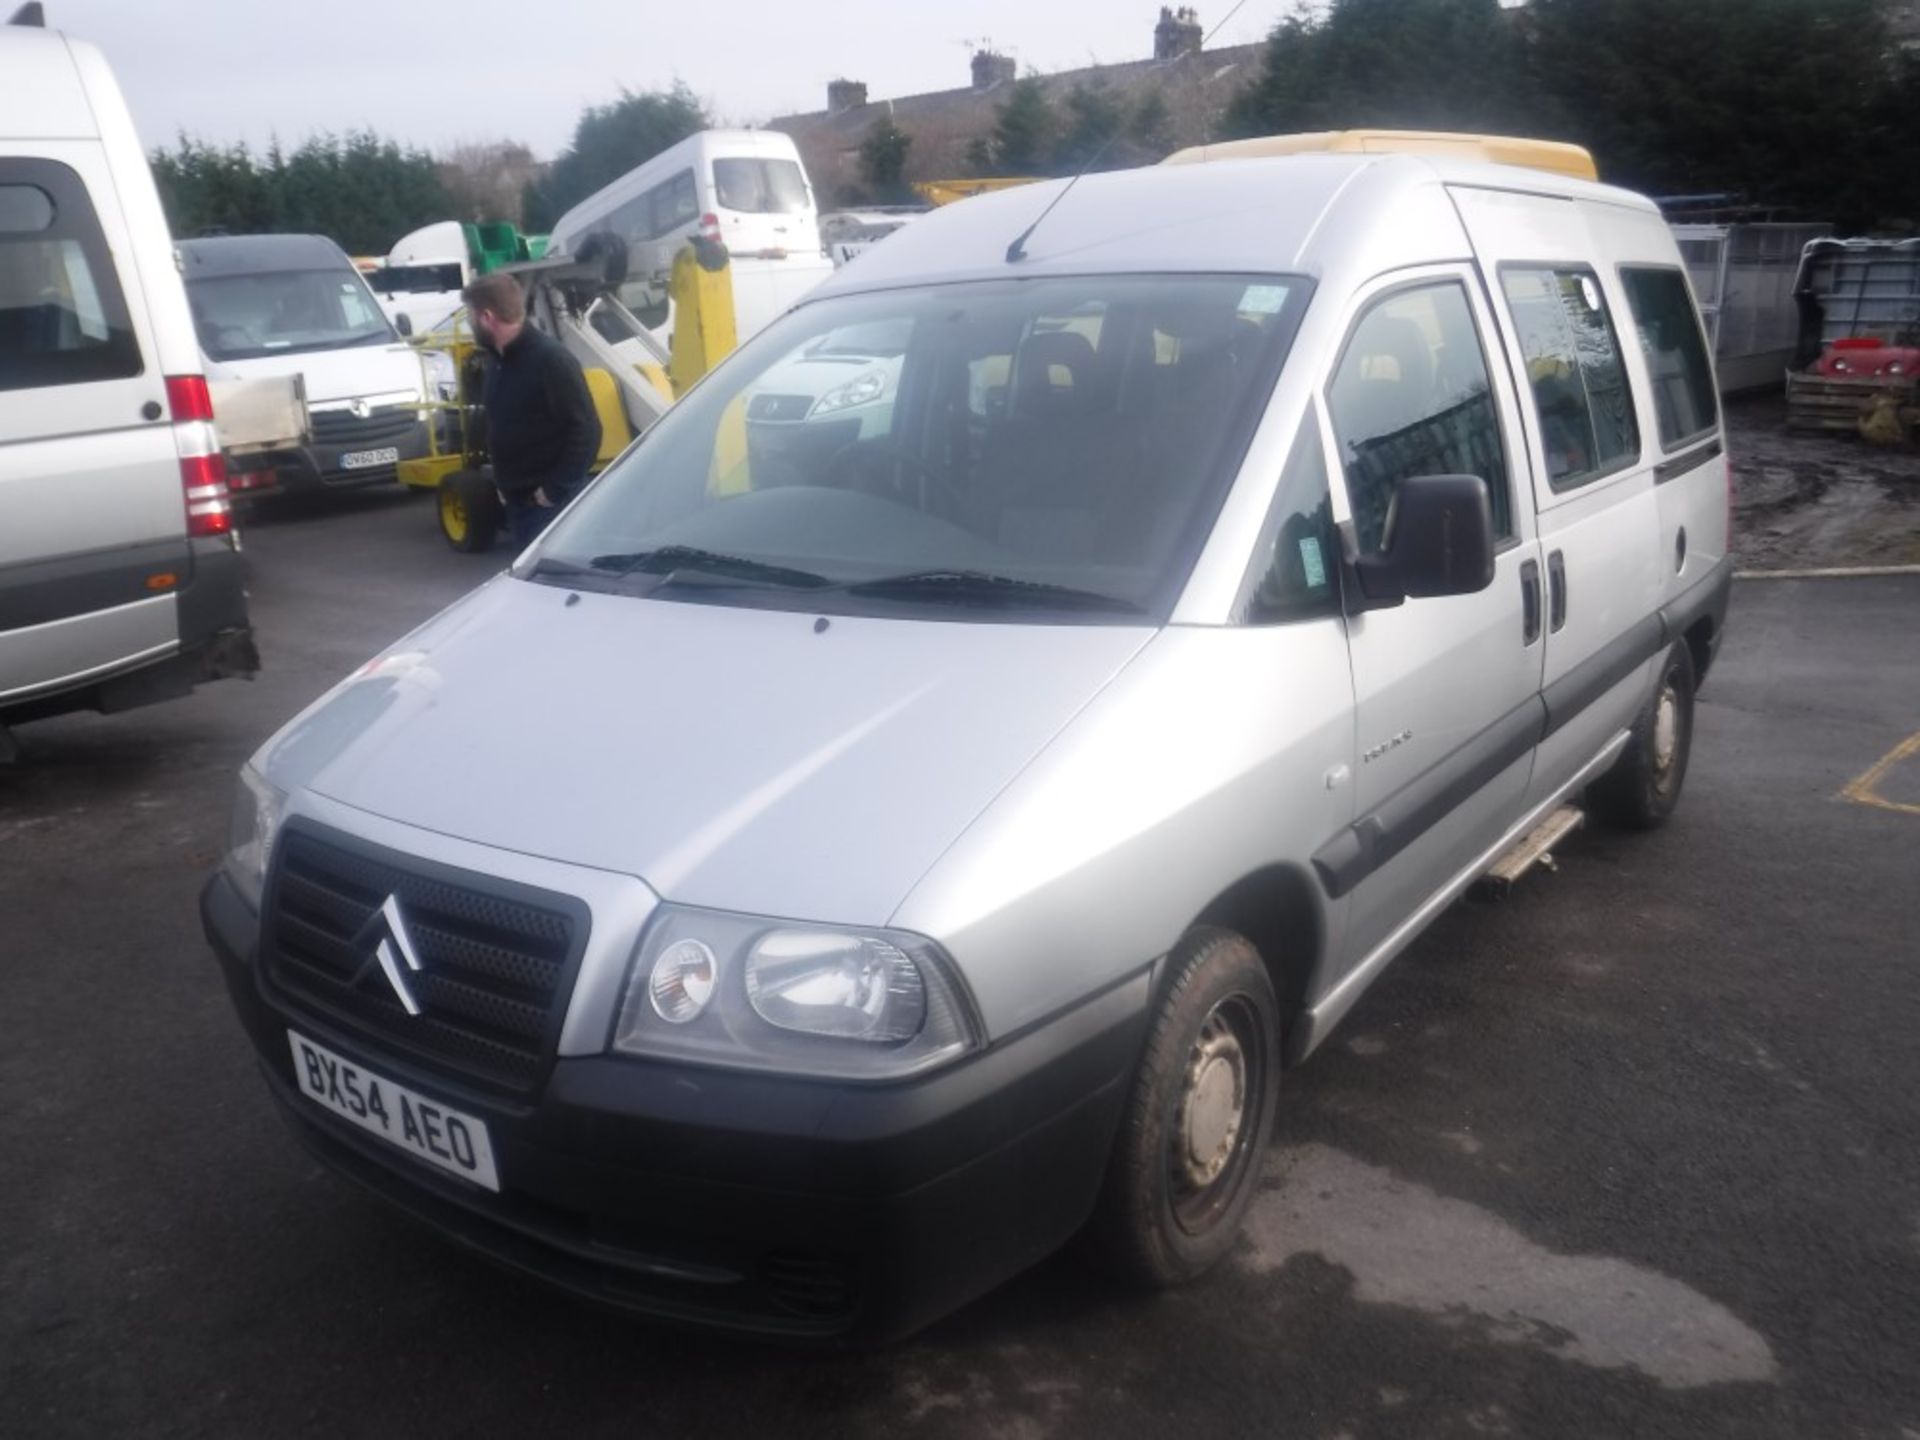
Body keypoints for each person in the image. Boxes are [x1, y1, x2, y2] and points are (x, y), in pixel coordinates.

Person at [460, 272, 602, 548]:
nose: (469, 324)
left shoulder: (550, 359)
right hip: (519, 504)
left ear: (486, 317)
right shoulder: (497, 361)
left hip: (549, 508)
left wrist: (553, 490)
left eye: (470, 316)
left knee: (554, 586)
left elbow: (587, 429)